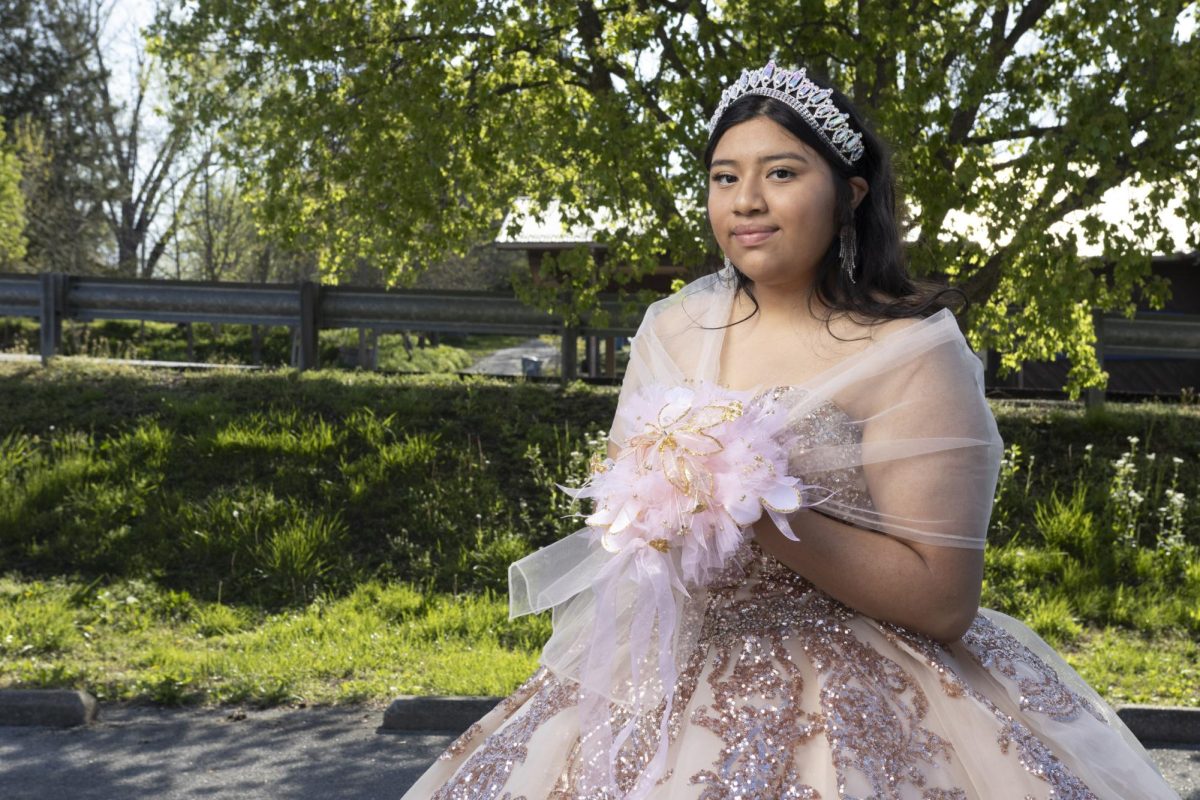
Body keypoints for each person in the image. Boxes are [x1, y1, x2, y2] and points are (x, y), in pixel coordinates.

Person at [400, 60, 1180, 800]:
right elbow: (626, 517)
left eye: (780, 173)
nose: (746, 201)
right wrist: (656, 512)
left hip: (854, 672)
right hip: (668, 665)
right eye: (723, 177)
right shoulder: (670, 329)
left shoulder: (911, 350)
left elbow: (944, 600)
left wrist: (755, 506)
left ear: (849, 194)